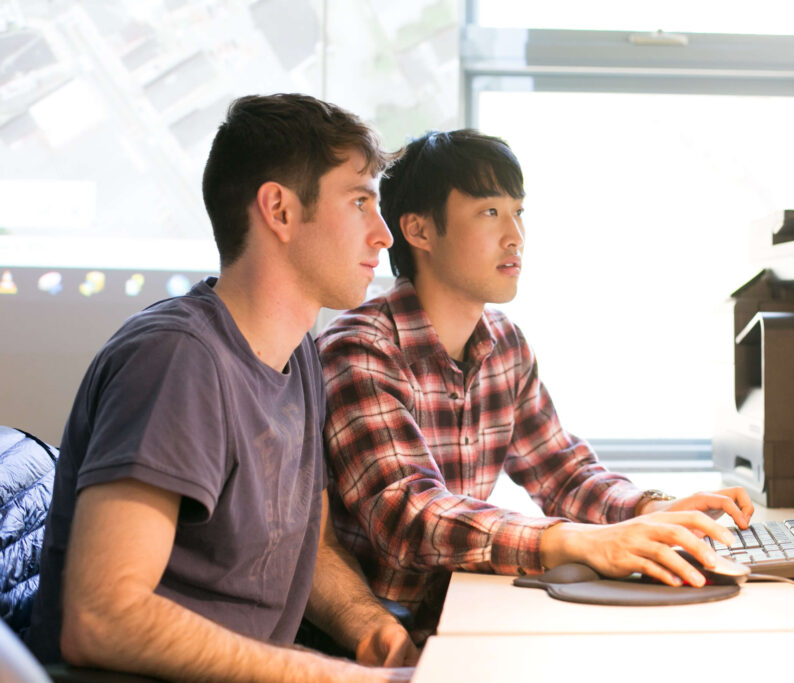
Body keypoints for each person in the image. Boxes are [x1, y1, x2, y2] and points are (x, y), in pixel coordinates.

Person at [28, 94, 416, 682]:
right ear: (279, 211)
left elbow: (297, 543)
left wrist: (369, 629)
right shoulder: (177, 361)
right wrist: (328, 676)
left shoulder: (298, 357)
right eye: (360, 201)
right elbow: (103, 618)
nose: (383, 235)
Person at [316, 129, 755, 641]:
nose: (515, 237)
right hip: (370, 642)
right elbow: (408, 516)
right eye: (489, 213)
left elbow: (561, 473)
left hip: (458, 615)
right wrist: (575, 542)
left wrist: (649, 509)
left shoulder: (504, 343)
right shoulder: (360, 350)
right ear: (418, 230)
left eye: (518, 212)